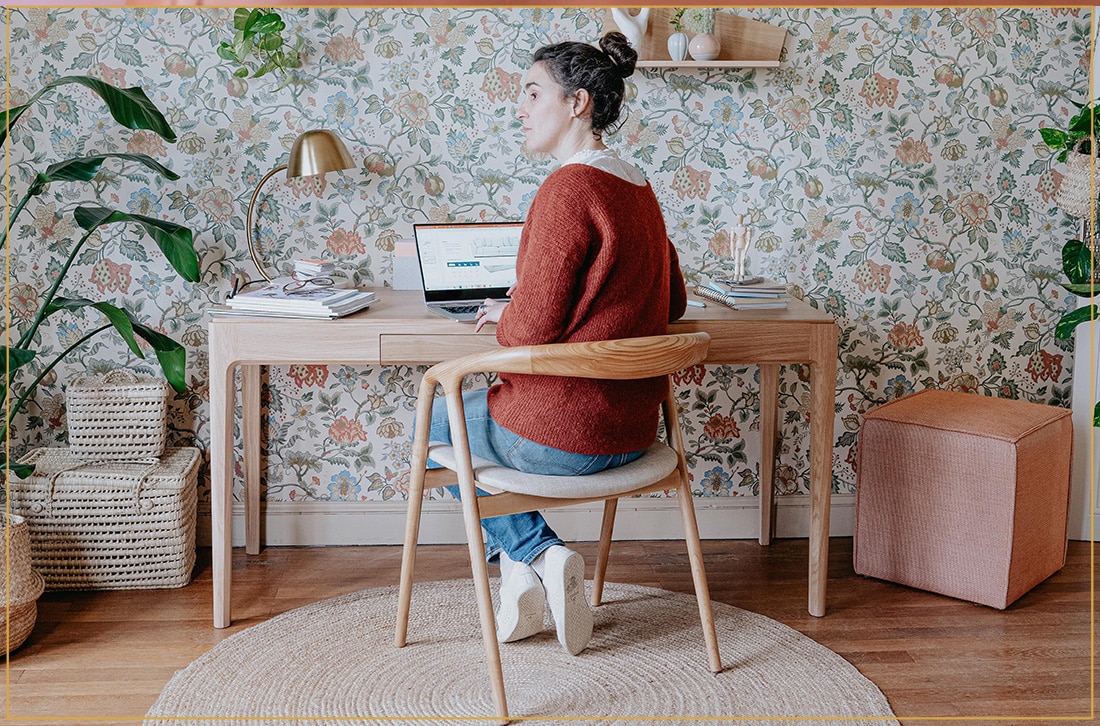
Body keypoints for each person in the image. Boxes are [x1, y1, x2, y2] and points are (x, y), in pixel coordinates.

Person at [426, 31, 688, 657]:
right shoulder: (636, 186)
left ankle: (538, 553)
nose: (519, 107)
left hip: (560, 438)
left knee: (436, 415)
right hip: (631, 433)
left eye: (532, 92)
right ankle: (522, 580)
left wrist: (509, 308)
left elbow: (529, 330)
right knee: (462, 418)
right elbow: (673, 302)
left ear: (578, 103)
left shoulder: (567, 189)